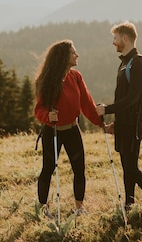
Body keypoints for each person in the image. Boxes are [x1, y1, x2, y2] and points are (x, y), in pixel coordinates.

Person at [96, 21, 142, 215]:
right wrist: (115, 123)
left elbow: (133, 98)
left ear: (125, 38)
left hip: (134, 123)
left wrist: (107, 109)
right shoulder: (124, 62)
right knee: (127, 166)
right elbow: (124, 98)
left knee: (131, 167)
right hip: (125, 123)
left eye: (115, 38)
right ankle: (129, 205)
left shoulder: (138, 63)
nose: (113, 42)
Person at [34, 39, 102, 216]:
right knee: (48, 169)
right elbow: (38, 109)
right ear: (64, 57)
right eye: (73, 52)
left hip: (72, 130)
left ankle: (79, 208)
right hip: (52, 131)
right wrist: (47, 116)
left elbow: (87, 104)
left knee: (79, 169)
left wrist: (102, 125)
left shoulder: (76, 77)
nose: (77, 55)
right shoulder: (46, 80)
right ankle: (43, 209)